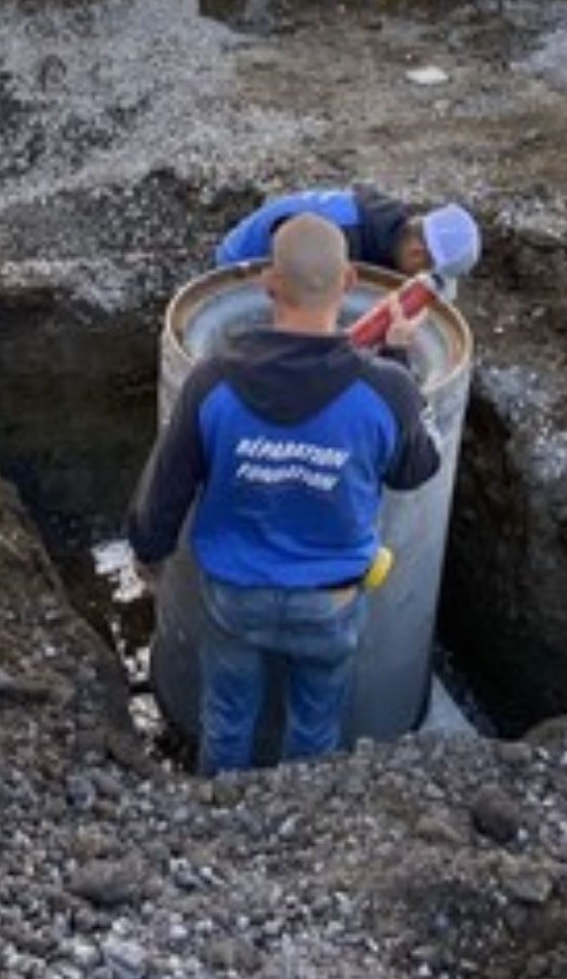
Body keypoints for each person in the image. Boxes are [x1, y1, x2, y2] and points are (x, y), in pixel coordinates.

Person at [126, 214, 442, 776]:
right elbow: (415, 469)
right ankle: (294, 829)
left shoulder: (212, 383)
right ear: (348, 283)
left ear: (269, 284)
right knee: (315, 726)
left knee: (226, 719)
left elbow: (168, 484)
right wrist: (397, 359)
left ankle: (218, 815)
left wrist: (149, 552)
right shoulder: (385, 390)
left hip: (235, 596)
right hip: (332, 602)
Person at [214, 184, 480, 295]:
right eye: (424, 273)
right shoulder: (337, 239)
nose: (417, 279)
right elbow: (291, 275)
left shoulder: (385, 224)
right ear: (417, 254)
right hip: (238, 269)